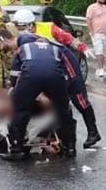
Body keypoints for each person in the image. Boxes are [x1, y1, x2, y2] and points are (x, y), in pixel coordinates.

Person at [15, 11, 101, 149]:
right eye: (18, 27)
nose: (20, 30)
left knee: (78, 98)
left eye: (22, 27)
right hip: (51, 71)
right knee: (57, 101)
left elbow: (67, 37)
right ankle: (61, 136)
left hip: (66, 64)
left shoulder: (47, 28)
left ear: (31, 25)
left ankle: (92, 132)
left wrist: (82, 47)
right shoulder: (22, 37)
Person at [0, 10, 77, 160]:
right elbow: (64, 72)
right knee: (64, 112)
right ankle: (70, 148)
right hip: (56, 78)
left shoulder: (22, 49)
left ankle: (17, 150)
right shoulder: (55, 48)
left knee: (20, 111)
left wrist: (17, 94)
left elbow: (15, 77)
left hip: (31, 77)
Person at [85, 0, 106, 78]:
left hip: (105, 33)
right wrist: (91, 32)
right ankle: (100, 69)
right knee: (99, 51)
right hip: (96, 33)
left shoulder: (105, 7)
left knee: (104, 52)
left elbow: (105, 19)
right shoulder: (92, 7)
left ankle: (101, 68)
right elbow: (88, 19)